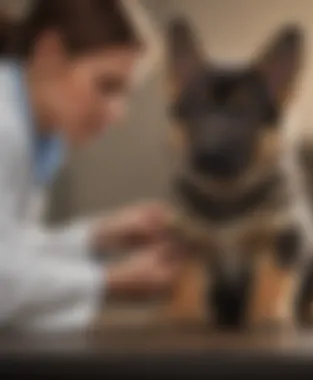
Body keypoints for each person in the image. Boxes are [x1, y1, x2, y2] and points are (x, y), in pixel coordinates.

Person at [0, 0, 183, 333]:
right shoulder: (3, 126)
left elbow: (10, 250)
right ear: (50, 54)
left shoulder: (38, 136)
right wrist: (109, 281)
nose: (117, 113)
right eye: (107, 86)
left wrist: (96, 236)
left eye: (125, 93)